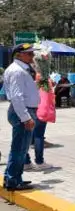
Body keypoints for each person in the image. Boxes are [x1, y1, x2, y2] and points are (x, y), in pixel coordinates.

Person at [4, 44, 40, 192]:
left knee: (21, 148)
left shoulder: (21, 70)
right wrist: (26, 117)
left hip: (23, 110)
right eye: (29, 54)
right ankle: (13, 181)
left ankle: (14, 178)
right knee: (19, 149)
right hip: (22, 112)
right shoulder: (17, 71)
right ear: (19, 55)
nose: (32, 56)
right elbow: (16, 97)